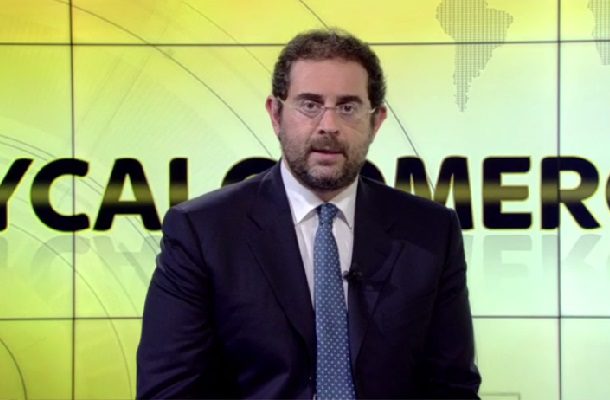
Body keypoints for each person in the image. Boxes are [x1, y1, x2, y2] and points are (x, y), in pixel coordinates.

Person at [137, 28, 481, 399]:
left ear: (377, 121)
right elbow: (169, 392)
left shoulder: (430, 232)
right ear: (275, 114)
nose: (328, 126)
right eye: (310, 105)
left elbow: (453, 388)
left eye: (348, 107)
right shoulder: (203, 232)